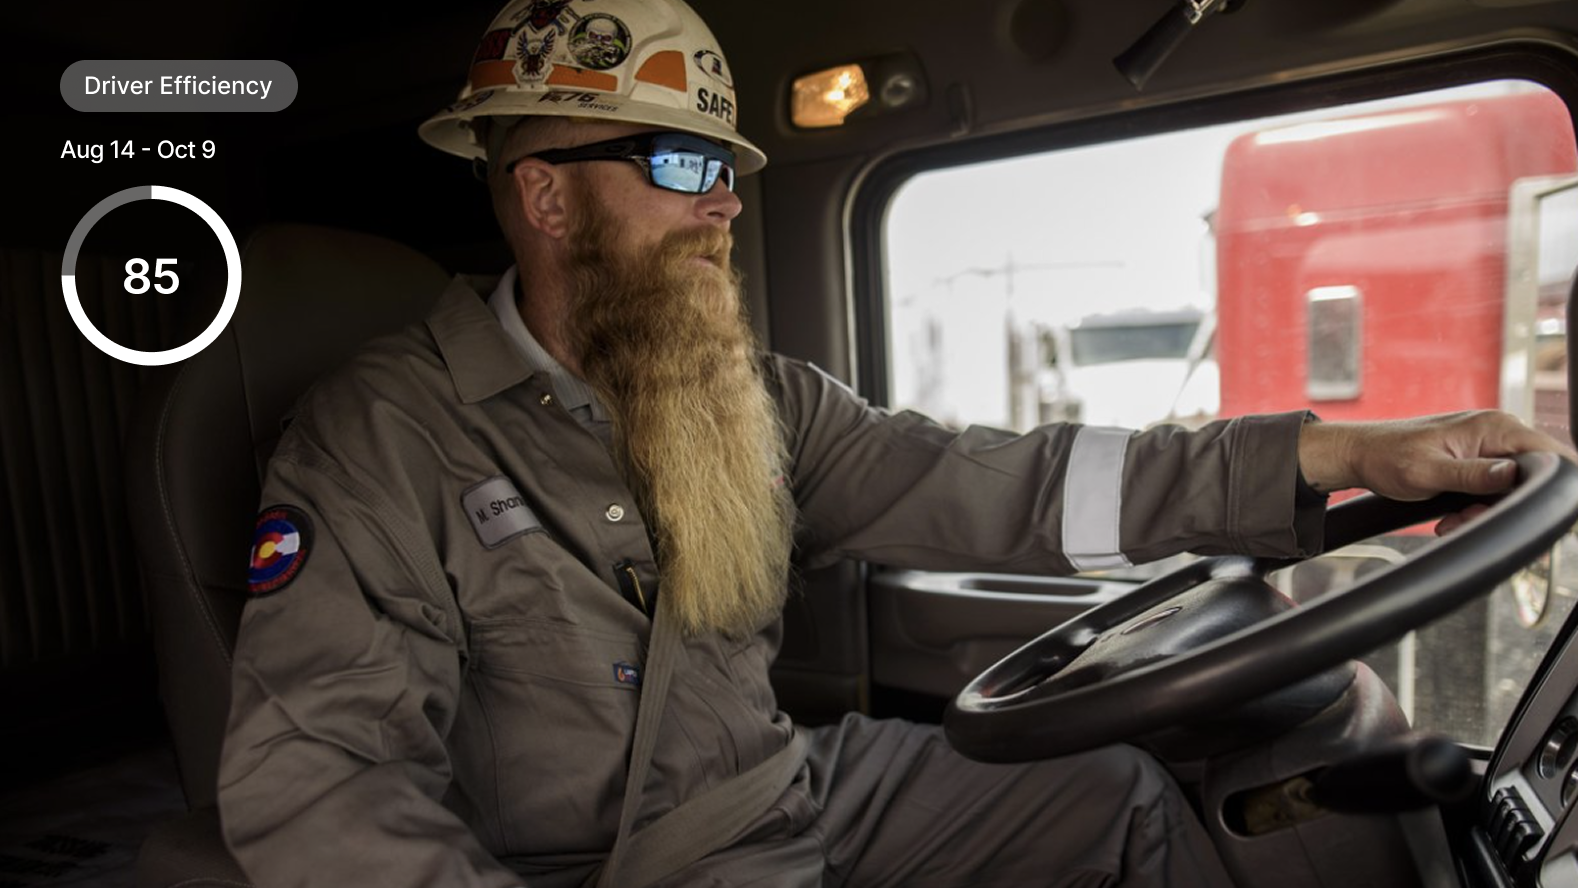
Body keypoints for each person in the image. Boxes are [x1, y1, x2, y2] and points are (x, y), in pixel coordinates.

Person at [216, 1, 1577, 886]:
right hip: (619, 867)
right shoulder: (378, 440)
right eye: (683, 167)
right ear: (546, 197)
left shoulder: (753, 399)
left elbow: (1022, 485)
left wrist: (1334, 456)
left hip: (801, 795)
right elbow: (324, 786)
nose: (724, 207)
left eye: (730, 173)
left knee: (1107, 801)